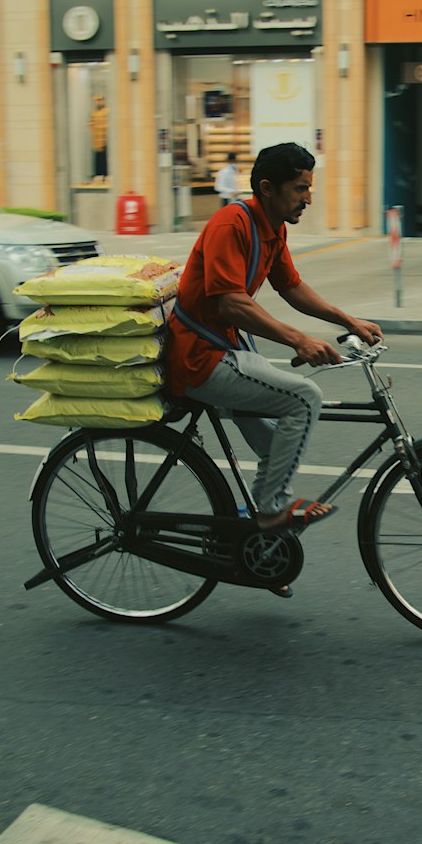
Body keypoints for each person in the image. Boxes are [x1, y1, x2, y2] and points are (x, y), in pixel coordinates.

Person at [165, 142, 382, 593]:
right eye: (300, 188)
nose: (308, 197)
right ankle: (268, 515)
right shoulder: (232, 224)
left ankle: (257, 551)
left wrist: (349, 320)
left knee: (275, 450)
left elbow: (292, 287)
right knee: (304, 398)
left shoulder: (272, 228)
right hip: (202, 358)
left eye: (310, 188)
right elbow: (232, 304)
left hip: (227, 349)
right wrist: (297, 338)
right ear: (267, 188)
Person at [89, 95, 108, 180]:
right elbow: (91, 123)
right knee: (98, 159)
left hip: (105, 140)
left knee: (105, 159)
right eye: (97, 100)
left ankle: (105, 175)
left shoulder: (107, 111)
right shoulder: (93, 112)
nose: (98, 102)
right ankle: (98, 175)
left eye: (100, 100)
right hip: (96, 141)